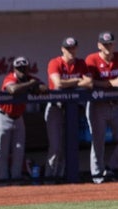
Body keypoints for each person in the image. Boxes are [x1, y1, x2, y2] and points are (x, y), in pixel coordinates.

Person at [0, 56, 48, 185]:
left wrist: (36, 88)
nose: (21, 71)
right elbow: (12, 90)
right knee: (3, 152)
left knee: (19, 151)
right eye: (19, 69)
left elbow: (45, 88)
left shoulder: (30, 78)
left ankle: (16, 182)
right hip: (2, 116)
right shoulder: (11, 77)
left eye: (24, 68)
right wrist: (30, 85)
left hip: (18, 117)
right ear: (14, 69)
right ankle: (3, 183)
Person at [45, 37, 92, 183]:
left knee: (69, 146)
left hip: (72, 109)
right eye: (68, 48)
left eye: (73, 48)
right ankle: (49, 178)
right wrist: (78, 80)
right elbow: (58, 83)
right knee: (56, 147)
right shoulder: (55, 62)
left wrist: (71, 83)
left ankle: (63, 178)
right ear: (62, 49)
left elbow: (89, 83)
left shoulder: (81, 63)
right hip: (56, 107)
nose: (71, 51)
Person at [85, 31, 118, 184]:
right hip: (98, 105)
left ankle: (111, 167)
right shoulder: (92, 59)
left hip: (116, 105)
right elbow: (89, 82)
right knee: (98, 142)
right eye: (104, 44)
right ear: (99, 45)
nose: (107, 46)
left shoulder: (117, 57)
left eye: (110, 43)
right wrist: (110, 83)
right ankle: (97, 177)